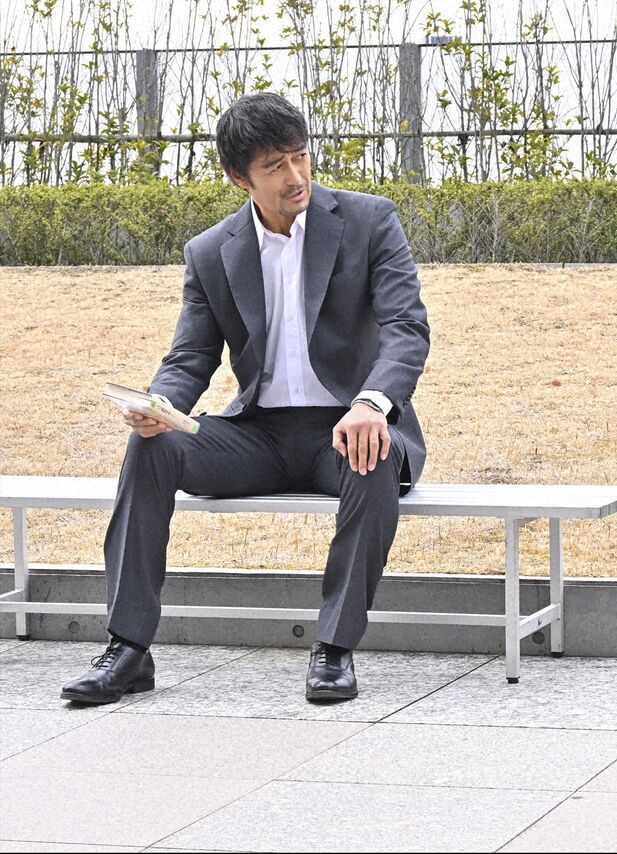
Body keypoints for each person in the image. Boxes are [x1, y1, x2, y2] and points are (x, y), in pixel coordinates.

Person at [61, 93, 430, 704]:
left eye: (300, 157)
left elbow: (406, 328)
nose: (295, 176)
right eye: (274, 166)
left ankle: (334, 649)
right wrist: (159, 405)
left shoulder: (369, 221)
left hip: (347, 427)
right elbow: (190, 356)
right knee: (153, 447)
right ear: (240, 178)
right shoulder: (212, 251)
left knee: (373, 453)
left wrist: (372, 403)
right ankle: (128, 649)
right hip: (257, 434)